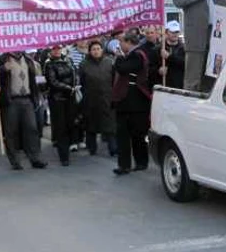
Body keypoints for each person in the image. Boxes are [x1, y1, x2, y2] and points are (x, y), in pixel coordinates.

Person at [173, 0, 226, 92]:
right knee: (194, 72)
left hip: (217, 30)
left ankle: (211, 96)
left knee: (214, 71)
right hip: (196, 32)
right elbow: (178, 0)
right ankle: (190, 100)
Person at [0, 51, 48, 170]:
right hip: (11, 100)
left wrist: (41, 88)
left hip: (27, 99)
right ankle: (15, 160)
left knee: (32, 129)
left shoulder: (28, 60)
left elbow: (36, 79)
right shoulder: (2, 59)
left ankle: (35, 158)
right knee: (11, 131)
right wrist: (3, 69)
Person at [112, 32, 152, 175]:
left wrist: (118, 59)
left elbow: (123, 68)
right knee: (123, 134)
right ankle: (124, 165)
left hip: (135, 102)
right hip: (124, 102)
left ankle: (141, 161)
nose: (120, 45)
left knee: (137, 134)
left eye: (121, 42)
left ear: (129, 42)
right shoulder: (130, 56)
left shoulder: (138, 55)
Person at [79, 41, 118, 157]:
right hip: (90, 99)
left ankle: (113, 148)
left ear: (102, 50)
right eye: (93, 49)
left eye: (98, 49)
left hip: (107, 98)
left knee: (110, 125)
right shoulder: (84, 64)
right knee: (91, 125)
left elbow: (114, 79)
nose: (96, 51)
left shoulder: (109, 62)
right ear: (90, 51)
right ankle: (92, 148)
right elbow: (82, 81)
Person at [45, 44, 79, 166]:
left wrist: (74, 86)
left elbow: (75, 74)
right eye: (54, 49)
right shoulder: (49, 64)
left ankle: (71, 145)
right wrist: (69, 88)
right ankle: (63, 156)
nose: (57, 51)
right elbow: (53, 82)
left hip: (70, 97)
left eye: (58, 48)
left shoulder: (67, 60)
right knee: (61, 127)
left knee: (71, 122)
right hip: (57, 98)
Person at [155, 21, 186, 88]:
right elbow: (150, 66)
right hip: (163, 86)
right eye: (172, 32)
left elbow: (185, 64)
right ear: (166, 32)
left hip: (179, 86)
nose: (175, 34)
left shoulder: (184, 49)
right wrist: (158, 70)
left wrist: (169, 57)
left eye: (177, 32)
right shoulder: (158, 48)